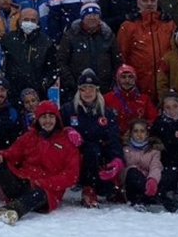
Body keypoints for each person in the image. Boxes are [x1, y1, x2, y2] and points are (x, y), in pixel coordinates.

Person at [0, 100, 80, 225]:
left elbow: (71, 175)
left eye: (51, 117)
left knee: (40, 193)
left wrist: (44, 183)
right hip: (23, 180)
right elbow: (13, 153)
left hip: (47, 190)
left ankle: (11, 210)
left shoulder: (67, 142)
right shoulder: (30, 136)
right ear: (38, 119)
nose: (47, 121)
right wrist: (2, 154)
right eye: (43, 117)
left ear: (57, 118)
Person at [61, 68, 123, 209]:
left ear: (97, 90)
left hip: (99, 157)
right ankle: (88, 189)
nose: (87, 92)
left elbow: (113, 137)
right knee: (91, 150)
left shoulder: (106, 112)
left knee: (108, 189)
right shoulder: (68, 110)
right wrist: (67, 130)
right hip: (75, 155)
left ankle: (108, 186)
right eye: (84, 89)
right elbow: (55, 130)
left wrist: (117, 159)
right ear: (79, 91)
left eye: (91, 88)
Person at [117, 0, 175, 106]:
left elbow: (175, 52)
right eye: (145, 0)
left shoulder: (169, 24)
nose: (149, 3)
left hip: (165, 82)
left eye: (152, 0)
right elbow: (122, 54)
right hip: (139, 83)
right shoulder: (129, 25)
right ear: (138, 3)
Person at [56, 3, 120, 98]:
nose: (92, 18)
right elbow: (61, 61)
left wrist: (112, 83)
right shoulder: (70, 36)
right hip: (77, 89)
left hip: (104, 88)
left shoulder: (108, 36)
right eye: (88, 14)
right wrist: (71, 82)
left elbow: (117, 61)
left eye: (95, 14)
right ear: (82, 17)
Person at [1, 7, 58, 104]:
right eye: (26, 19)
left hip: (37, 94)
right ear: (19, 20)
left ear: (38, 22)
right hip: (12, 92)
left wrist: (43, 85)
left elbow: (53, 69)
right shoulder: (8, 39)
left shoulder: (46, 42)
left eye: (33, 20)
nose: (29, 23)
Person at [114, 119, 169, 210]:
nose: (139, 134)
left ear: (147, 134)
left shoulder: (154, 150)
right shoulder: (124, 149)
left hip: (149, 182)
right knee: (132, 172)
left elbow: (155, 166)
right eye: (136, 131)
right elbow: (123, 170)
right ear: (131, 133)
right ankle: (155, 197)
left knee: (167, 172)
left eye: (142, 131)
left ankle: (151, 195)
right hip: (132, 186)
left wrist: (152, 180)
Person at [104, 64, 157, 136]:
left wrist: (141, 129)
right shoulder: (107, 98)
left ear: (135, 79)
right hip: (115, 139)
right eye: (123, 77)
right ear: (118, 79)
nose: (127, 80)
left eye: (130, 77)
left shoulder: (144, 99)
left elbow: (154, 119)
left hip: (139, 139)